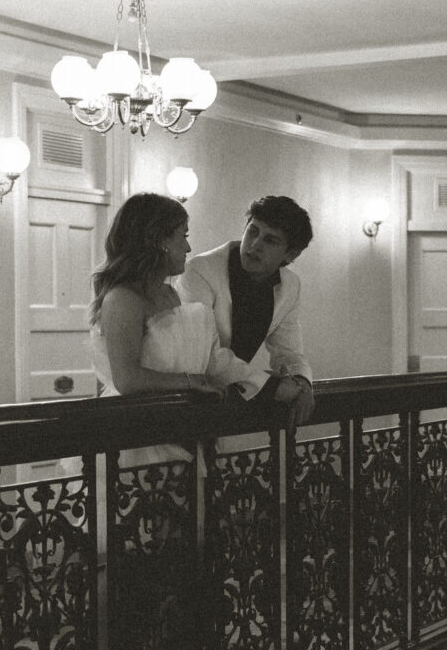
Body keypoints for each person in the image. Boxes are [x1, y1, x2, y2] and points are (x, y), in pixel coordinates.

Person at [87, 191, 256, 466]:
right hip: (138, 437)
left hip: (181, 427)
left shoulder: (169, 294)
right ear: (159, 240)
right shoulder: (122, 299)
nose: (188, 248)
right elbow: (127, 379)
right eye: (183, 235)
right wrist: (192, 383)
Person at [176, 195, 316, 425]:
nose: (254, 245)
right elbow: (204, 353)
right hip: (185, 397)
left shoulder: (290, 285)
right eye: (253, 231)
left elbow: (288, 351)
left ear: (291, 255)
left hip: (225, 402)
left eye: (270, 240)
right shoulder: (200, 270)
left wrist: (302, 382)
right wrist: (273, 387)